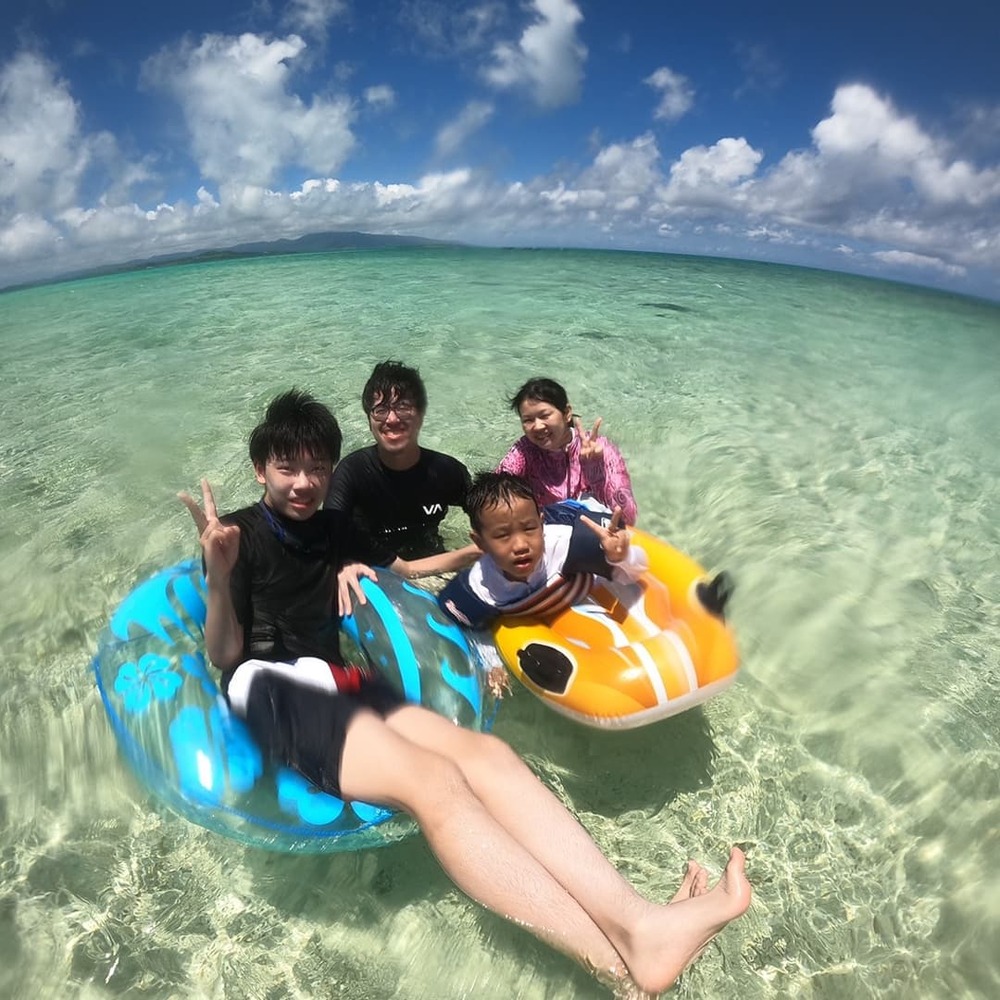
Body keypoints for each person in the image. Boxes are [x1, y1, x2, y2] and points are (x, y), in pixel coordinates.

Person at [180, 389, 751, 996]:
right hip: (267, 686)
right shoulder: (234, 535)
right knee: (433, 784)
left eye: (317, 468)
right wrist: (219, 574)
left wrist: (478, 552)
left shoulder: (335, 527)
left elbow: (405, 570)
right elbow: (225, 655)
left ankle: (639, 925)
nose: (304, 483)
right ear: (260, 468)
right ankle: (614, 967)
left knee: (488, 756)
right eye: (287, 468)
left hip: (338, 680)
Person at [438, 471, 646, 630]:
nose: (520, 546)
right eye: (503, 535)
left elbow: (637, 573)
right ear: (480, 542)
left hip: (572, 516)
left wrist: (621, 556)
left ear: (541, 525)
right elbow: (476, 631)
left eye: (529, 529)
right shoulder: (481, 588)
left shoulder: (568, 544)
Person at [325, 360, 478, 576]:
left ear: (421, 415)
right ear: (369, 420)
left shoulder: (446, 471)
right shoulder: (352, 473)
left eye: (403, 407)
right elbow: (330, 535)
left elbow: (491, 517)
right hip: (372, 574)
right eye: (381, 410)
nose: (392, 419)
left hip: (435, 566)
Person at [497, 377, 638, 525]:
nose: (537, 426)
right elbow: (493, 497)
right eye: (528, 420)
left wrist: (596, 471)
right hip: (544, 530)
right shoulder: (524, 452)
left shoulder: (599, 449)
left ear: (567, 413)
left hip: (590, 530)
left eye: (544, 416)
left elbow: (627, 519)